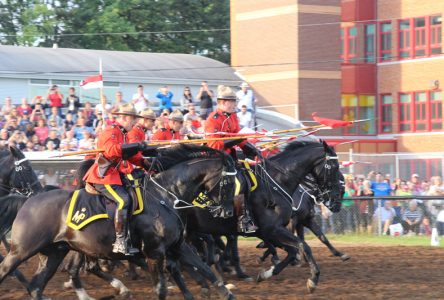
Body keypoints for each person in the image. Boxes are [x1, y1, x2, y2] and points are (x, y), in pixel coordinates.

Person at [83, 103, 149, 254]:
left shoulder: (124, 134)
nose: (135, 123)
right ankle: (119, 241)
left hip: (115, 175)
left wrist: (147, 163)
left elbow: (131, 156)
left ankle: (131, 236)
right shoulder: (111, 131)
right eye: (133, 119)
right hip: (103, 176)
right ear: (125, 118)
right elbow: (112, 151)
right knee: (123, 200)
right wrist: (135, 145)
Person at [205, 85, 261, 233]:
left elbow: (238, 137)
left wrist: (250, 148)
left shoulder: (233, 117)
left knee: (251, 177)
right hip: (215, 160)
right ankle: (241, 219)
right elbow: (213, 145)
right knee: (238, 182)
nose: (235, 104)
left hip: (229, 158)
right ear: (222, 102)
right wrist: (234, 141)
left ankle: (250, 212)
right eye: (232, 101)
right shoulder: (213, 119)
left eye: (235, 101)